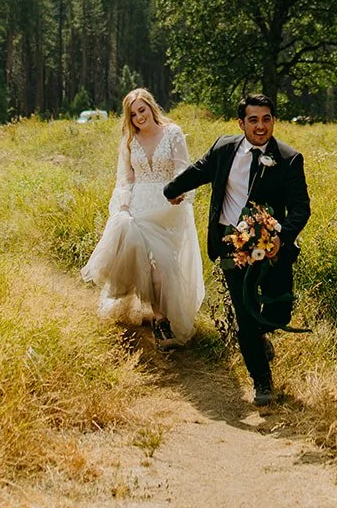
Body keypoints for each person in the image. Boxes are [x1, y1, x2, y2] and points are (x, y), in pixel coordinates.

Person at [163, 94, 310, 406]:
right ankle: (261, 382)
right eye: (253, 120)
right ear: (241, 123)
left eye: (266, 119)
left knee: (277, 312)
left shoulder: (289, 158)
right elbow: (199, 171)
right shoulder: (224, 148)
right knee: (245, 315)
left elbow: (301, 208)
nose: (260, 126)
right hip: (231, 244)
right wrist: (171, 190)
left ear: (273, 120)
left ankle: (261, 334)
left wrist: (281, 236)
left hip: (272, 249)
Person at [82, 88, 205, 345]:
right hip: (139, 208)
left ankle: (163, 315)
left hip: (167, 207)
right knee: (146, 265)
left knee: (163, 268)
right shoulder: (130, 140)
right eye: (133, 113)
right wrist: (123, 205)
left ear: (151, 107)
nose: (139, 117)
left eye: (142, 109)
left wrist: (180, 191)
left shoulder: (173, 133)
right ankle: (160, 320)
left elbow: (183, 166)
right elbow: (126, 178)